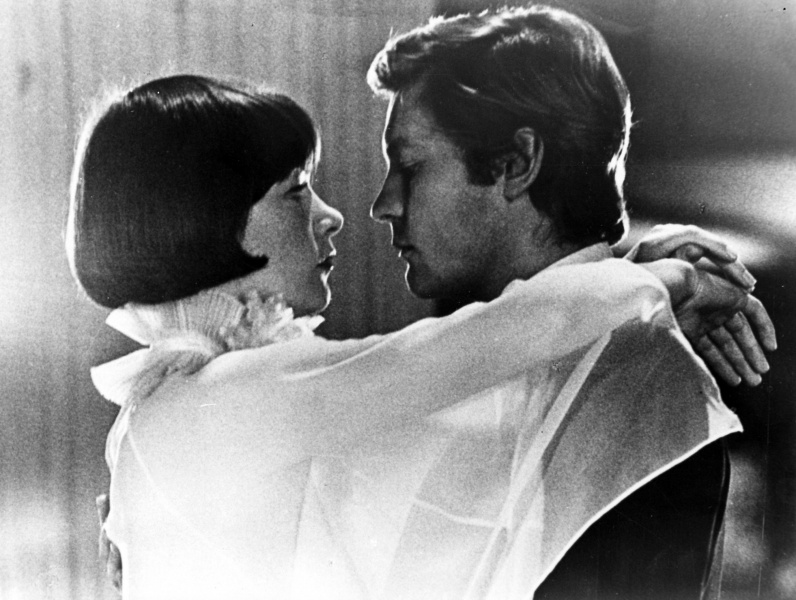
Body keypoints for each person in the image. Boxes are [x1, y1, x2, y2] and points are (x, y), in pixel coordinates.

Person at [75, 74, 770, 598]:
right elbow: (491, 343)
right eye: (296, 190)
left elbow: (486, 417)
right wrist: (668, 279)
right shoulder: (227, 398)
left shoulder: (178, 403)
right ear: (208, 216)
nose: (332, 215)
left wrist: (633, 281)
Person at [365, 4, 776, 598]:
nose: (384, 204)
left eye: (409, 166)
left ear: (517, 164)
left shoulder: (646, 390)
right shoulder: (485, 360)